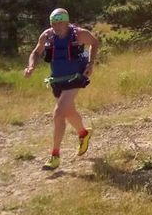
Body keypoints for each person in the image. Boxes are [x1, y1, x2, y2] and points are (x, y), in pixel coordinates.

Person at [24, 9, 99, 170]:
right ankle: (84, 134)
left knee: (59, 113)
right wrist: (31, 66)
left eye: (60, 23)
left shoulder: (79, 34)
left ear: (67, 22)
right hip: (57, 79)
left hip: (76, 76)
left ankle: (55, 155)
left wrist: (90, 63)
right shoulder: (47, 36)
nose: (57, 27)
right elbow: (36, 52)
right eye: (54, 23)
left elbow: (94, 42)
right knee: (68, 112)